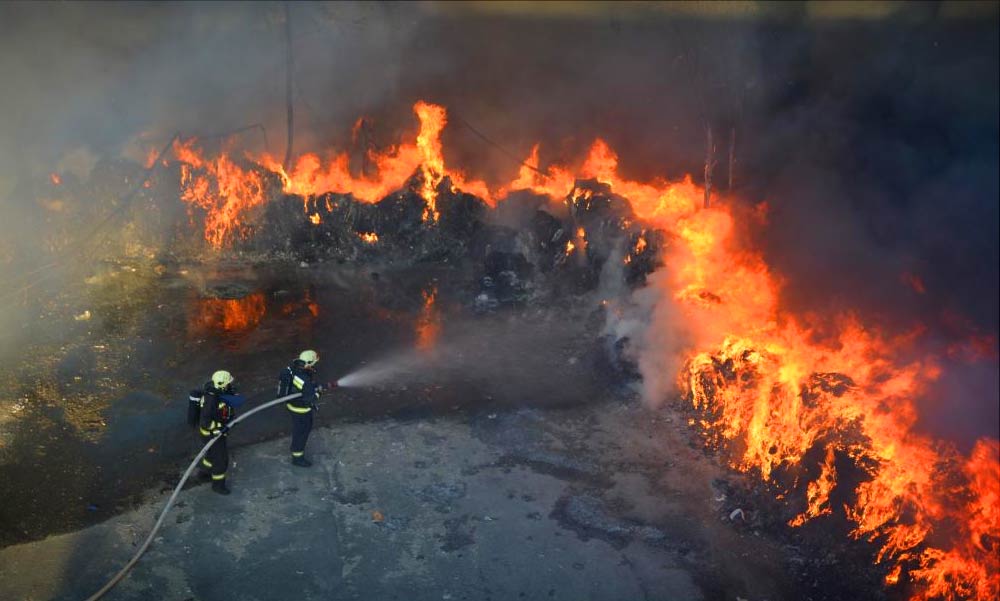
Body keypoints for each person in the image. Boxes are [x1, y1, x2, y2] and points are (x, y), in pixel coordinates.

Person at [279, 350, 323, 467]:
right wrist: (318, 392)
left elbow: (300, 386)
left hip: (292, 405)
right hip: (301, 411)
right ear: (308, 363)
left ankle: (296, 451)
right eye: (313, 363)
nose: (314, 365)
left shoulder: (294, 369)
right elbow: (311, 398)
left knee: (298, 430)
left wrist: (312, 387)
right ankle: (297, 457)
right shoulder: (305, 380)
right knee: (301, 433)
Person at [198, 370, 237, 495]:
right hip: (212, 434)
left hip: (212, 433)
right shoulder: (211, 400)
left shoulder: (215, 393)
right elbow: (206, 422)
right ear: (222, 384)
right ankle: (218, 486)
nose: (230, 384)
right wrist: (220, 428)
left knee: (211, 455)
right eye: (228, 382)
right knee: (221, 460)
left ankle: (205, 472)